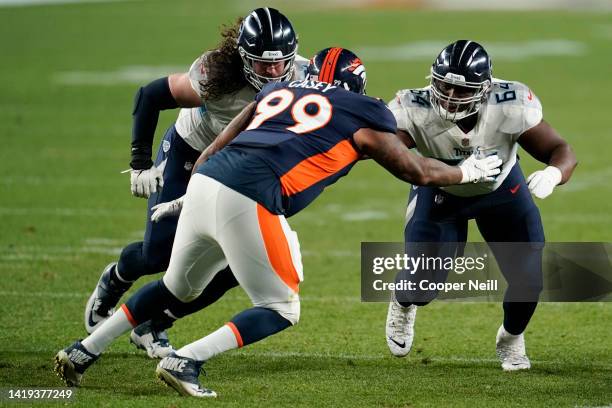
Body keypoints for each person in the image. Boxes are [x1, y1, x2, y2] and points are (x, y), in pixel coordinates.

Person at [55, 47, 502, 397]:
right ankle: (186, 360)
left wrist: (190, 195)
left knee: (176, 288)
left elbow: (222, 142)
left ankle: (83, 349)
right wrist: (467, 172)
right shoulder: (365, 112)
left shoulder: (276, 93)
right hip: (250, 197)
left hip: (207, 179)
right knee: (281, 307)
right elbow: (417, 171)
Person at [84, 7, 307, 358]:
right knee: (158, 256)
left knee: (239, 264)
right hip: (190, 153)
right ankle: (117, 277)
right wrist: (140, 162)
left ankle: (154, 325)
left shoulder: (302, 77)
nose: (275, 71)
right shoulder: (217, 75)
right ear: (244, 57)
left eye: (281, 63)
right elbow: (150, 95)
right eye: (264, 64)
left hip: (238, 171)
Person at [384, 40, 577, 371]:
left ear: (485, 89)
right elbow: (388, 152)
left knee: (529, 279)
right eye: (444, 85)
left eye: (461, 90)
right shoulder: (412, 106)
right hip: (441, 192)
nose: (449, 95)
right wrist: (453, 173)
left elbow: (560, 149)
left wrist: (553, 173)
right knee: (423, 284)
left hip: (502, 190)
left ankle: (512, 338)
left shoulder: (510, 104)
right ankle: (403, 301)